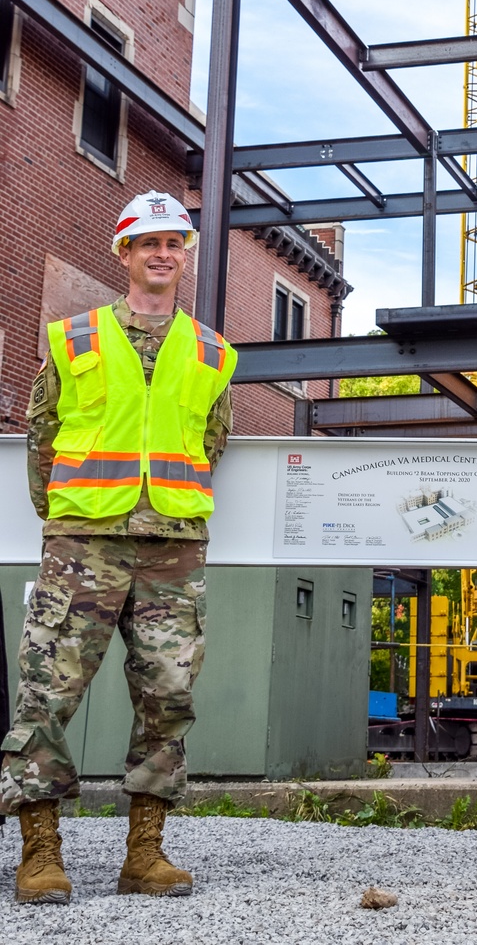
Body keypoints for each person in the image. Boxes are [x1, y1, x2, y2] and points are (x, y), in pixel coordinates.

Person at [0, 191, 237, 905]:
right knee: (47, 695)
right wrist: (71, 517)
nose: (163, 253)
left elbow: (211, 443)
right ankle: (40, 854)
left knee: (168, 697)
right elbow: (42, 441)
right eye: (149, 242)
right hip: (83, 545)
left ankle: (146, 855)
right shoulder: (71, 338)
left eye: (175, 243)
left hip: (172, 547)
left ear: (183, 256)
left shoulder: (213, 352)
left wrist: (163, 506)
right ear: (124, 252)